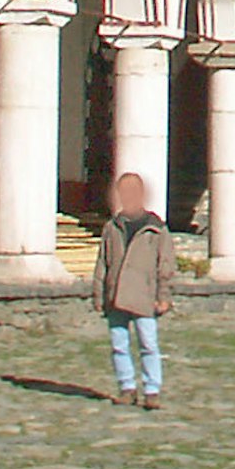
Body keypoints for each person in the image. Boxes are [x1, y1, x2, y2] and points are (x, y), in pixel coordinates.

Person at [98, 171, 176, 408]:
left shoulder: (156, 229)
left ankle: (152, 390)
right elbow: (102, 264)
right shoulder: (112, 228)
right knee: (119, 345)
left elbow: (166, 266)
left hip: (144, 295)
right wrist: (99, 295)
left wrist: (163, 296)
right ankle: (126, 387)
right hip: (116, 295)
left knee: (148, 344)